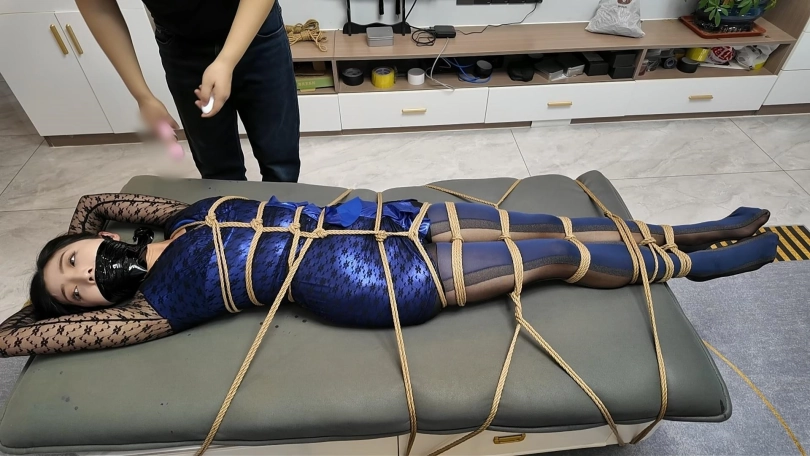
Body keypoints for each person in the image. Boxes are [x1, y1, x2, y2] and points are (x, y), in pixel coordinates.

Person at [0, 193, 777, 357]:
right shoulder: (159, 305)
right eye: (77, 293)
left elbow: (93, 201)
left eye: (74, 261)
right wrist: (35, 314)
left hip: (375, 217)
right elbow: (23, 337)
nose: (87, 276)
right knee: (552, 260)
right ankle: (694, 265)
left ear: (96, 237)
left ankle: (695, 229)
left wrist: (84, 239)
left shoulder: (174, 217)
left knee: (549, 225)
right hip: (358, 274)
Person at [76, 0, 300, 182]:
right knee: (217, 172)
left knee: (280, 163)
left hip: (257, 30)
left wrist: (226, 60)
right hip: (182, 43)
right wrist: (143, 97)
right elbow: (98, 8)